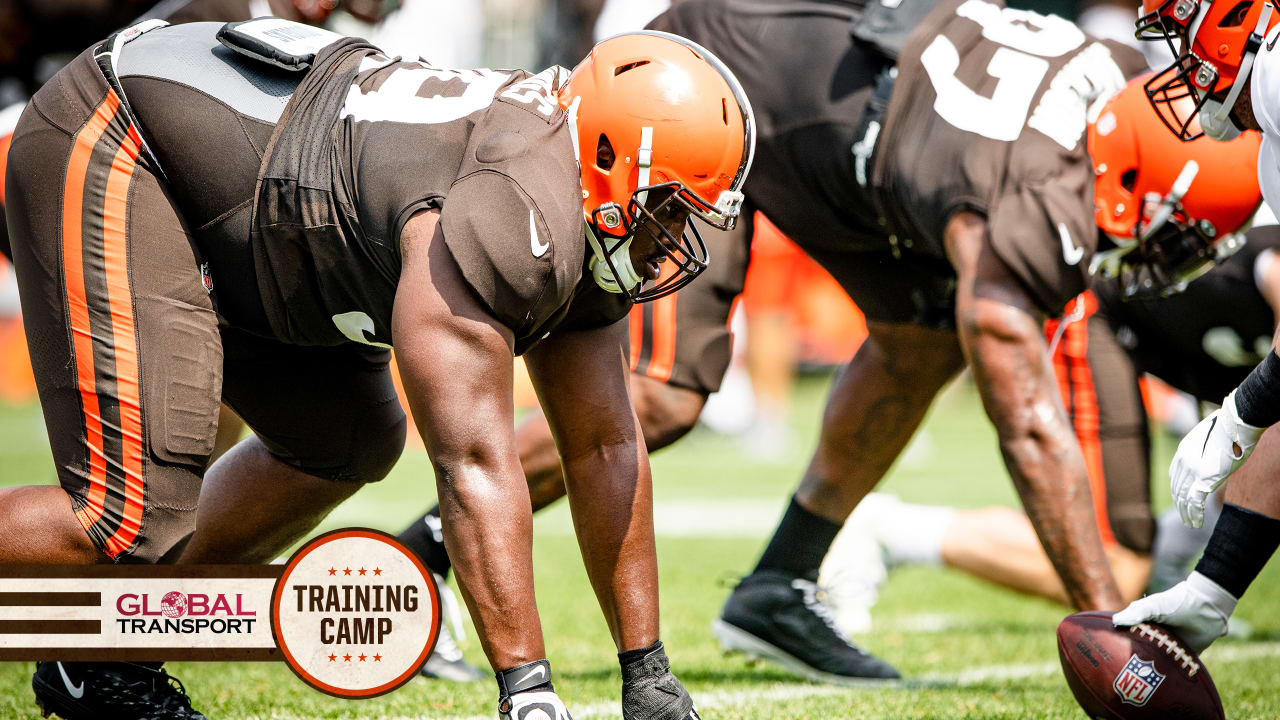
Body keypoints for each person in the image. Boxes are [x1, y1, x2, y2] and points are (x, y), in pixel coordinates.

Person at [5, 17, 753, 720]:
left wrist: (646, 672)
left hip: (268, 224)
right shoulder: (513, 203)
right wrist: (528, 691)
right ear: (612, 161)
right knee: (125, 516)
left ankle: (100, 650)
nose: (676, 239)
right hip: (123, 133)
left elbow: (604, 448)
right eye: (672, 209)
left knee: (345, 442)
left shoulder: (581, 210)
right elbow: (472, 464)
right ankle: (101, 630)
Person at [399, 0, 1164, 684]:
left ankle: (781, 583)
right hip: (712, 96)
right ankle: (424, 555)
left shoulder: (1116, 92)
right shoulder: (1046, 170)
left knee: (923, 343)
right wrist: (1114, 634)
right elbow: (1026, 421)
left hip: (858, 137)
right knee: (664, 395)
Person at [813, 76, 1272, 624]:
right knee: (1116, 565)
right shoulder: (1264, 257)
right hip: (1102, 322)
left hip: (1177, 341)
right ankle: (889, 531)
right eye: (1190, 244)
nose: (1184, 264)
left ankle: (1175, 565)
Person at [1106, 0, 1280, 652]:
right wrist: (1217, 585)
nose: (1182, 64)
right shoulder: (1269, 134)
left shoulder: (1276, 77)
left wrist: (1238, 416)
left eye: (1184, 38)